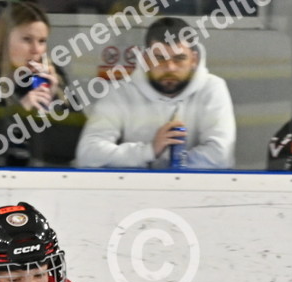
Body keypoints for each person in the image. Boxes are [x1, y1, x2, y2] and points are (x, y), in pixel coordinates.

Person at [75, 16, 236, 170]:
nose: (170, 67)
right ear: (146, 59)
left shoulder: (212, 88)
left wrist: (170, 166)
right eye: (160, 58)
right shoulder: (121, 92)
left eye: (179, 58)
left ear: (193, 60)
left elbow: (220, 155)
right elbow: (88, 154)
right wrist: (149, 151)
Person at [0, 0, 84, 167]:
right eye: (27, 39)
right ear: (4, 41)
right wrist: (18, 113)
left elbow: (70, 149)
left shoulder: (53, 82)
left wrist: (56, 102)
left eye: (42, 41)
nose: (36, 50)